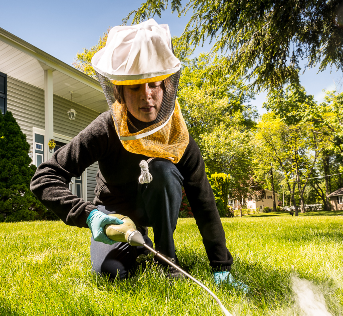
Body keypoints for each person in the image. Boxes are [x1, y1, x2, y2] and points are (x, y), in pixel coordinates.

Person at [30, 19, 246, 289]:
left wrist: (221, 265)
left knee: (162, 170)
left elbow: (203, 201)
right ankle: (141, 247)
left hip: (154, 207)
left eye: (154, 84)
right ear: (119, 91)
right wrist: (90, 215)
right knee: (112, 272)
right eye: (134, 86)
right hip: (115, 215)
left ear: (166, 86)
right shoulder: (106, 127)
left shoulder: (177, 135)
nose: (147, 96)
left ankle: (167, 257)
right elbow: (45, 177)